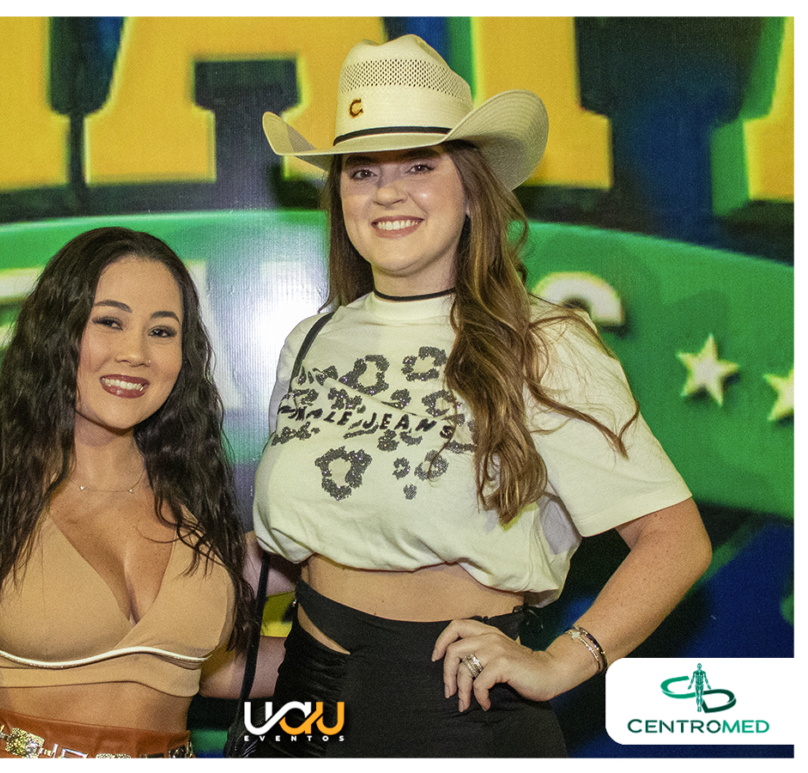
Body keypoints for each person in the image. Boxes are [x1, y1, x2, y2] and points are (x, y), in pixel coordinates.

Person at [251, 35, 712, 757]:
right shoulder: (311, 340)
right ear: (339, 194)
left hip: (456, 709)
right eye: (363, 170)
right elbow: (306, 542)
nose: (388, 192)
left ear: (471, 188)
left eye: (420, 164)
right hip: (302, 702)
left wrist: (565, 660)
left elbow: (675, 540)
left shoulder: (544, 342)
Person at [0, 227, 254, 759]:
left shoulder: (197, 500)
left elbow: (219, 670)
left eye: (161, 331)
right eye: (109, 322)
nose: (135, 353)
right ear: (57, 331)